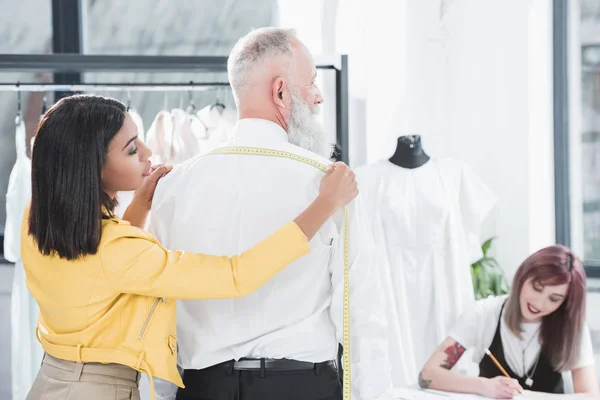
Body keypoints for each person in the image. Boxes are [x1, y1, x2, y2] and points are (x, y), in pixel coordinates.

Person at [21, 94, 359, 400]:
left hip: (53, 380)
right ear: (92, 168)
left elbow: (97, 274)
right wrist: (324, 205)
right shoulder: (118, 250)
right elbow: (234, 276)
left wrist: (140, 205)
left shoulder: (37, 220)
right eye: (131, 149)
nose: (148, 153)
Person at [152, 28, 393, 400]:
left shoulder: (173, 187)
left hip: (201, 389)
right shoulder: (329, 183)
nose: (318, 96)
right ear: (280, 91)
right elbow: (360, 315)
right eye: (311, 82)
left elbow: (157, 315)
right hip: (300, 388)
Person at [419, 245, 599, 399]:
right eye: (537, 287)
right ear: (523, 275)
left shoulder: (570, 326)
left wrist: (528, 397)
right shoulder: (483, 314)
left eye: (554, 299)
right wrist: (484, 386)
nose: (539, 303)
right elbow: (428, 375)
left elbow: (591, 396)